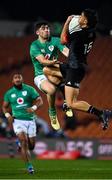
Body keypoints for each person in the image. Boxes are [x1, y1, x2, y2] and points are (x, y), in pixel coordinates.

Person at [43, 9, 112, 130]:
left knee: (71, 104)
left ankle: (101, 113)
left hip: (75, 69)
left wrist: (67, 22)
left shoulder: (80, 34)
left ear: (85, 21)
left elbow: (63, 40)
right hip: (73, 66)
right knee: (47, 70)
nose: (79, 17)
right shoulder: (91, 33)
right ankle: (64, 90)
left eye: (81, 16)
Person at [30, 20, 73, 131]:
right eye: (43, 28)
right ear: (37, 32)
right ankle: (52, 114)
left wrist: (74, 56)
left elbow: (66, 52)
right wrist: (55, 62)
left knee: (70, 73)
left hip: (53, 70)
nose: (47, 30)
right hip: (40, 75)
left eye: (48, 28)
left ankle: (66, 103)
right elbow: (43, 61)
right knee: (52, 90)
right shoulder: (34, 45)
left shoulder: (55, 40)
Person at [2, 73, 43, 174]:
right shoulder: (9, 93)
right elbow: (4, 107)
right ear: (13, 81)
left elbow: (40, 101)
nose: (17, 79)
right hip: (17, 121)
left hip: (30, 120)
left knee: (32, 146)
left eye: (19, 77)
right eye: (15, 78)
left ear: (22, 79)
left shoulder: (29, 89)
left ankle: (19, 144)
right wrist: (8, 116)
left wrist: (33, 108)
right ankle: (29, 166)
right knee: (23, 141)